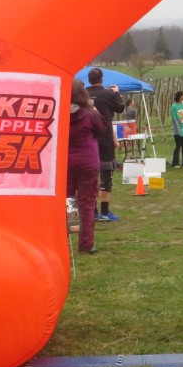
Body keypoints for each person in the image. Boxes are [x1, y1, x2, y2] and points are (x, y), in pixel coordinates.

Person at [67, 79, 108, 254]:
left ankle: (69, 234)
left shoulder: (60, 115)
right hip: (88, 163)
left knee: (69, 200)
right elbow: (102, 130)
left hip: (66, 163)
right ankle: (86, 243)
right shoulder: (90, 115)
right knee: (87, 203)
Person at [86, 68, 124, 222]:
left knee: (91, 176)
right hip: (105, 139)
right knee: (106, 174)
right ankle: (105, 212)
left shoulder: (83, 95)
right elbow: (120, 108)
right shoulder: (108, 93)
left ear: (89, 80)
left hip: (88, 138)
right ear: (101, 79)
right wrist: (116, 93)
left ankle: (93, 212)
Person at [170, 90, 183, 168]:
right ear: (180, 96)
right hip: (177, 130)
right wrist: (177, 130)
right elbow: (174, 119)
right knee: (178, 146)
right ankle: (175, 163)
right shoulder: (174, 106)